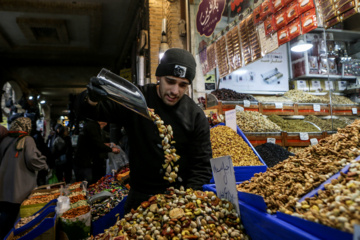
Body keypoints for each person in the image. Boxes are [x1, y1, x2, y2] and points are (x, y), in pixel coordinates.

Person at [76, 48, 213, 213]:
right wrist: (91, 98)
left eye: (183, 85)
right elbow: (93, 110)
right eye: (170, 81)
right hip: (139, 196)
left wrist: (186, 202)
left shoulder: (195, 116)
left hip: (177, 198)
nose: (175, 91)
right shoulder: (137, 99)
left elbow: (202, 166)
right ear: (159, 77)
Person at [0, 117, 48, 239]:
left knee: (5, 215)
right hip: (20, 186)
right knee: (17, 218)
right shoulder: (27, 139)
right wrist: (43, 163)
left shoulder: (5, 140)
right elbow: (32, 160)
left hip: (4, 186)